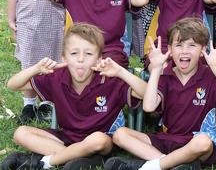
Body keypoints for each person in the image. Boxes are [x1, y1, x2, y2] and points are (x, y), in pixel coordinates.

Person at [1, 23, 147, 170]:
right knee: (21, 133)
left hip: (100, 140)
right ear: (64, 58)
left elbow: (147, 95)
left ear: (98, 59)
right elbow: (13, 85)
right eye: (74, 53)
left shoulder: (110, 79)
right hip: (66, 138)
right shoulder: (57, 77)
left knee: (97, 140)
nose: (81, 59)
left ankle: (45, 162)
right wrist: (36, 68)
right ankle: (83, 159)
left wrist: (121, 72)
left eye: (89, 54)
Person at [105, 18, 216, 170]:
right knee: (120, 134)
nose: (184, 51)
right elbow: (148, 106)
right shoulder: (165, 76)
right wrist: (155, 69)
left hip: (196, 142)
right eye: (179, 45)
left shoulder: (210, 75)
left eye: (192, 45)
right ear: (169, 49)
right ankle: (174, 164)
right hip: (167, 140)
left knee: (203, 142)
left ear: (202, 50)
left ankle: (152, 166)